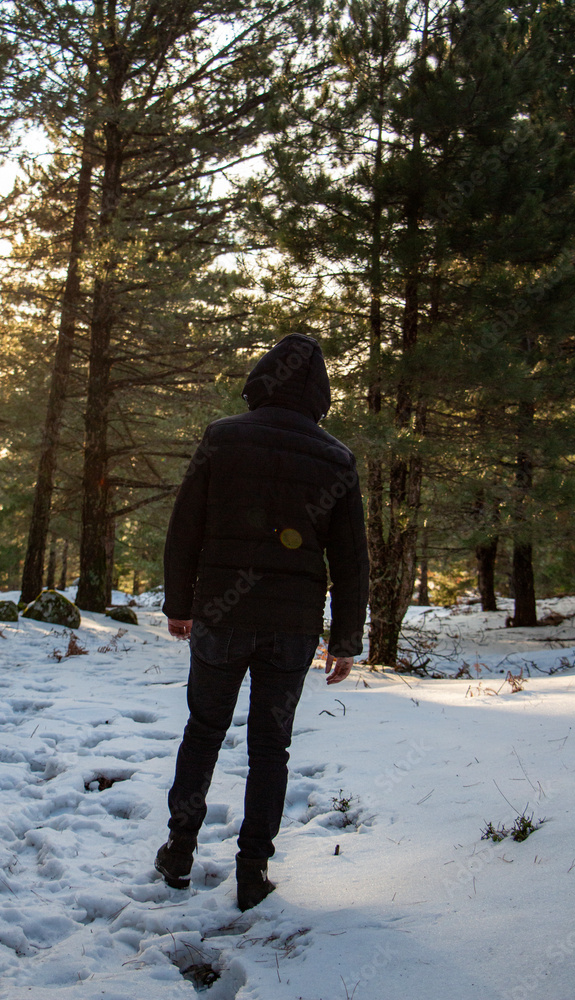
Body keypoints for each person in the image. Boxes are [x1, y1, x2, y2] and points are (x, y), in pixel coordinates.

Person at [155, 333, 369, 911]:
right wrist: (345, 639)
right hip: (292, 629)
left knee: (203, 731)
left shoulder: (224, 438)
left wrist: (182, 603)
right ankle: (253, 869)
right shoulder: (335, 458)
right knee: (270, 749)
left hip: (223, 615)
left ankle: (179, 849)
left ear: (262, 377)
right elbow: (351, 559)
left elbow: (185, 526)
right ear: (320, 392)